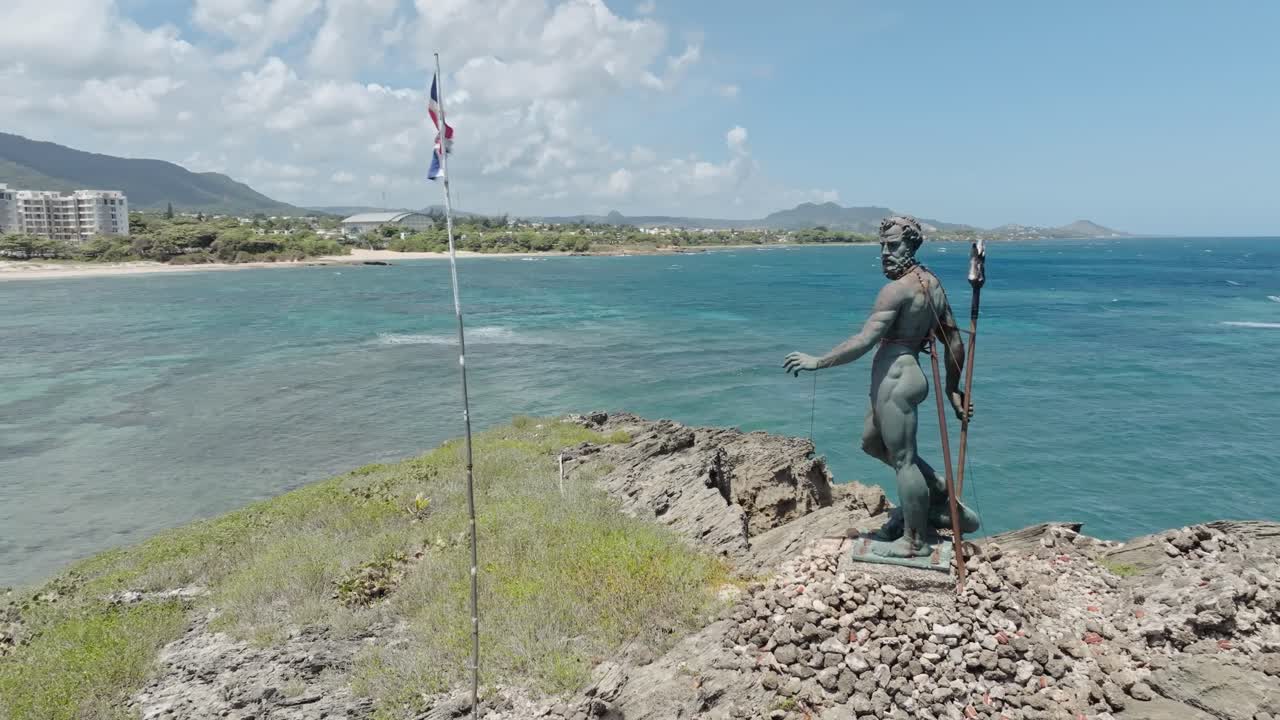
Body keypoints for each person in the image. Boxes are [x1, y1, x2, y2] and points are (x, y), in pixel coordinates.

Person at [783, 216, 979, 558]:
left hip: (897, 376)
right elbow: (954, 341)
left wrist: (819, 361)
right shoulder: (931, 283)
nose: (885, 254)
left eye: (893, 246)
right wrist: (952, 388)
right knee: (872, 443)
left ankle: (914, 540)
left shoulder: (896, 290)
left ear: (912, 245)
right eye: (882, 246)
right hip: (899, 374)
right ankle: (936, 490)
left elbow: (865, 339)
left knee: (903, 460)